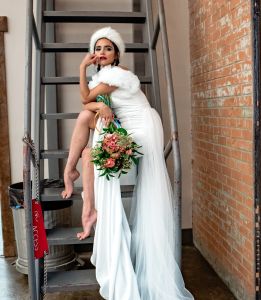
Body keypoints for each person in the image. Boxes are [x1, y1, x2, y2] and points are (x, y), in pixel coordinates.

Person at [62, 27, 194, 300]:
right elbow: (91, 103)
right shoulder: (104, 76)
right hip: (133, 122)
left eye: (107, 48)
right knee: (88, 118)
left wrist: (81, 68)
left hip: (142, 127)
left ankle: (87, 201)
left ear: (116, 54)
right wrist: (101, 106)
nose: (101, 53)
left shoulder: (114, 75)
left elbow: (86, 98)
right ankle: (77, 182)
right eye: (97, 49)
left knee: (90, 136)